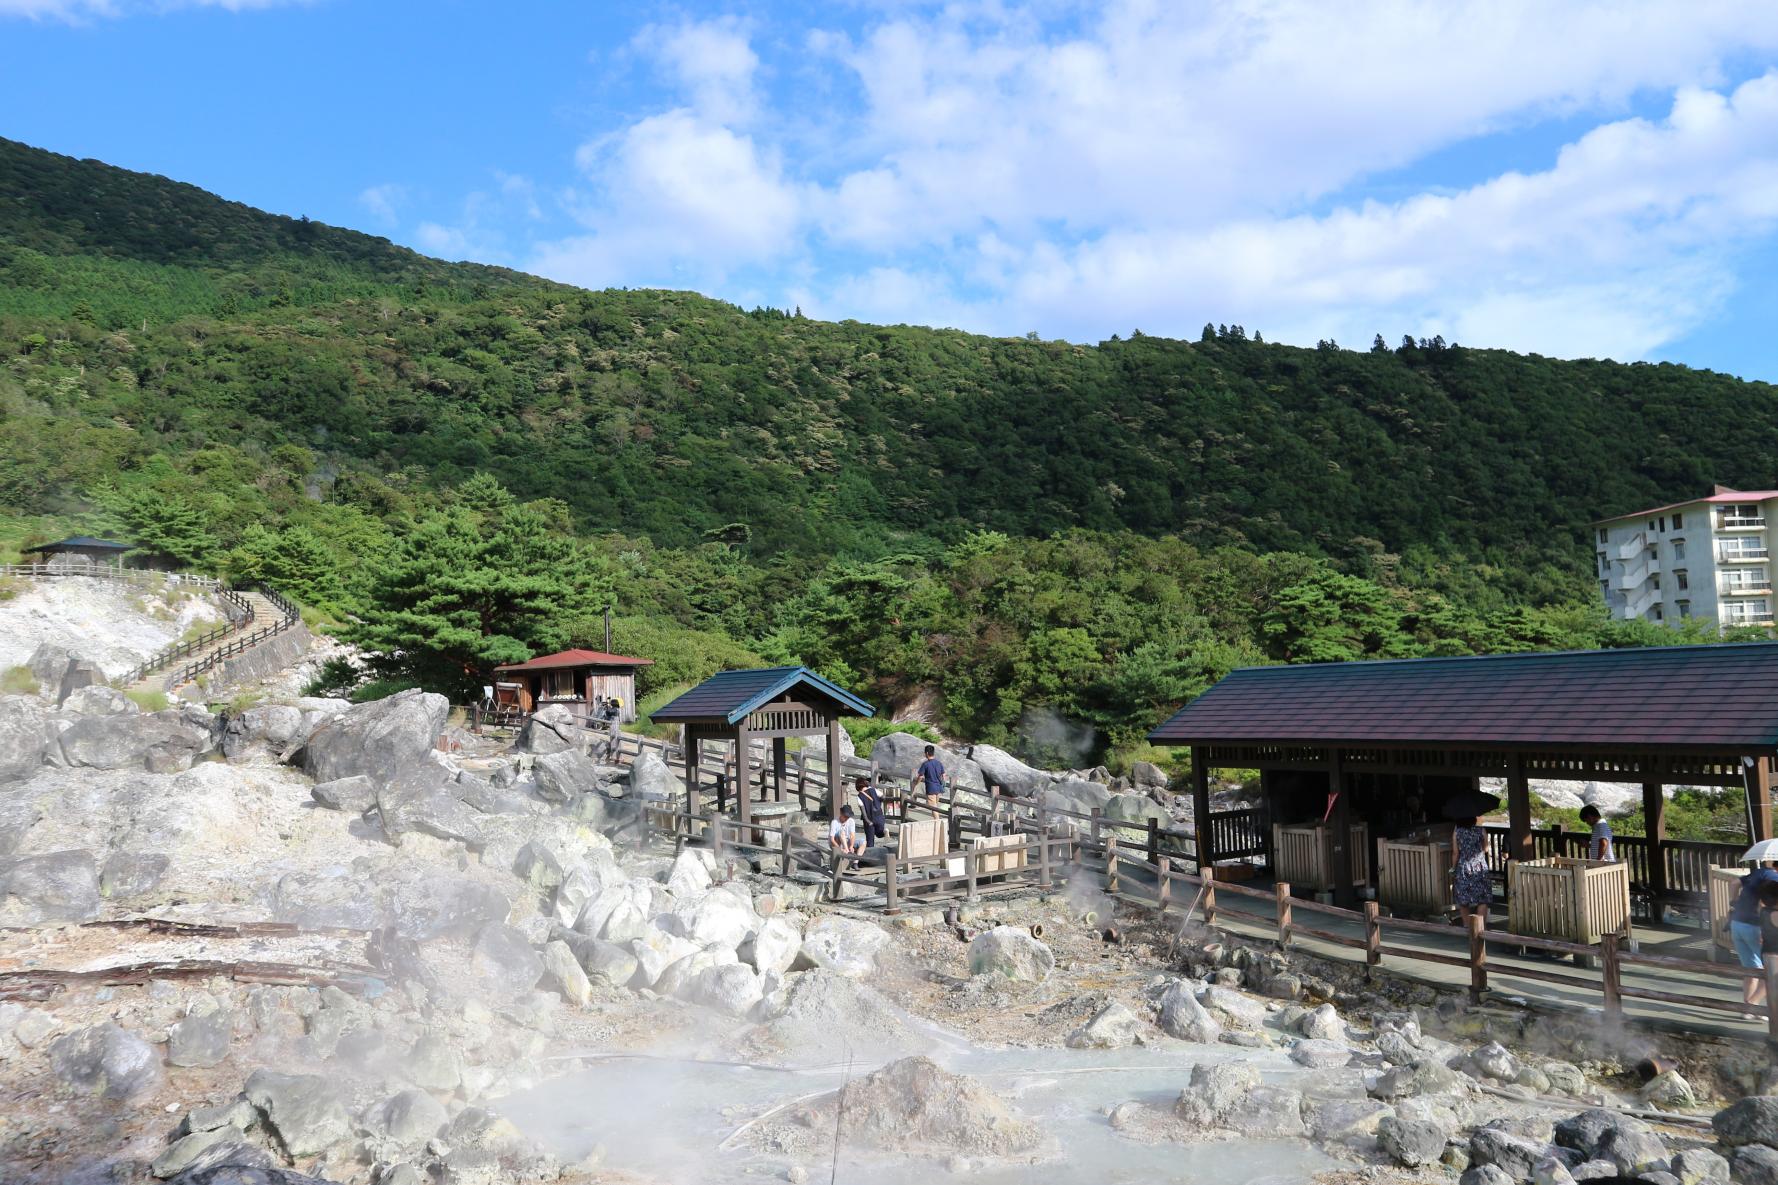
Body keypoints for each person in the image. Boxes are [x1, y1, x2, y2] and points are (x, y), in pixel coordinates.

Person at [1729, 861, 1778, 1011]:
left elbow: (1734, 883)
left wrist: (1733, 902)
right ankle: (1752, 1005)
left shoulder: (1760, 872)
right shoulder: (1774, 880)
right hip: (1755, 928)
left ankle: (1748, 1010)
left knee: (1751, 969)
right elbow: (1765, 905)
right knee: (1772, 971)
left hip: (1737, 924)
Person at [1449, 815, 1491, 927]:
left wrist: (1453, 868)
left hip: (1464, 867)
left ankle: (1467, 927)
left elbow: (1455, 853)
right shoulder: (1481, 830)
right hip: (1480, 867)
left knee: (1463, 899)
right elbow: (1486, 849)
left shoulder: (1457, 831)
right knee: (1483, 898)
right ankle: (1481, 928)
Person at [910, 744, 945, 811]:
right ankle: (936, 820)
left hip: (931, 789)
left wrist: (916, 783)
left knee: (934, 809)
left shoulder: (925, 764)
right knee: (935, 807)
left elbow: (920, 776)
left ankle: (937, 821)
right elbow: (943, 775)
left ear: (926, 753)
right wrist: (942, 784)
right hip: (938, 789)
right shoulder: (939, 763)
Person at [855, 775, 887, 846]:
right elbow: (883, 797)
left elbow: (863, 812)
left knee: (870, 841)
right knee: (879, 834)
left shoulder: (859, 796)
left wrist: (868, 821)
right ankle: (884, 832)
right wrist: (878, 803)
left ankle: (871, 855)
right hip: (879, 816)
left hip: (869, 819)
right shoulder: (873, 790)